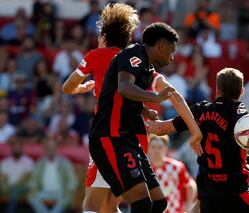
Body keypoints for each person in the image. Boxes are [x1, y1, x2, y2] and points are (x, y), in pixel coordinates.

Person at [147, 68, 249, 212]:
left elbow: (162, 129)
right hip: (237, 197)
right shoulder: (239, 112)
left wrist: (140, 117)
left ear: (217, 89)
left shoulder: (198, 111)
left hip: (208, 203)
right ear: (241, 92)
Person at [88, 22, 203, 213]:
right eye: (171, 51)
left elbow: (121, 96)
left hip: (128, 140)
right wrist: (155, 98)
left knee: (159, 204)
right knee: (140, 204)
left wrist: (143, 110)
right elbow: (124, 88)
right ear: (161, 46)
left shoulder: (146, 68)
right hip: (111, 137)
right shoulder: (133, 54)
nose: (172, 57)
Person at [62, 3, 140, 212]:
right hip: (129, 136)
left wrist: (81, 89)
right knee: (109, 206)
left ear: (104, 35)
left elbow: (66, 87)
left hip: (105, 134)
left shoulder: (95, 55)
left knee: (91, 205)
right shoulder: (134, 60)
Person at [148, 134, 197, 213]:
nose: (156, 150)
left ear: (165, 148)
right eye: (153, 147)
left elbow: (190, 186)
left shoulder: (176, 167)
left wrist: (188, 205)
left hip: (175, 210)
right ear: (148, 148)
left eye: (160, 147)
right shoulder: (145, 169)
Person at [27, 138, 78, 213]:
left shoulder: (64, 163)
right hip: (44, 192)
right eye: (48, 148)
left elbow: (72, 180)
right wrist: (33, 188)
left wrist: (68, 190)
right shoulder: (40, 163)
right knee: (31, 197)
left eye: (53, 148)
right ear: (44, 150)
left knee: (67, 198)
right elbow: (33, 179)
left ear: (56, 149)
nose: (50, 150)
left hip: (61, 192)